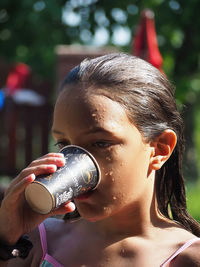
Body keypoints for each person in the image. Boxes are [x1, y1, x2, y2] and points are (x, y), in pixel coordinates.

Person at [0, 53, 200, 267]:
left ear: (159, 149)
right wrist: (6, 235)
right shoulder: (32, 245)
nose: (74, 162)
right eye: (65, 145)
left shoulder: (187, 258)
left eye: (101, 143)